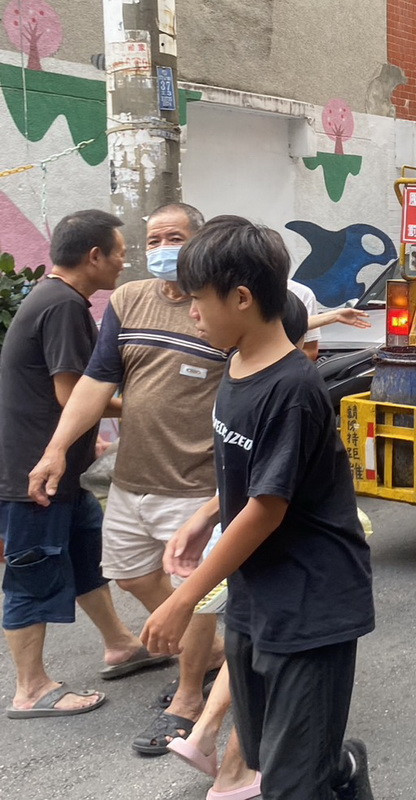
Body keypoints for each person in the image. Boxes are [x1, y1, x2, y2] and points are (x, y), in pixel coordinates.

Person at [141, 215, 375, 800]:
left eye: (199, 300)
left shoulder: (292, 388)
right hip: (254, 600)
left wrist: (184, 599)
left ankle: (331, 768)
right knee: (274, 755)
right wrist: (205, 515)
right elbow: (251, 474)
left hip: (311, 604)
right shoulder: (238, 364)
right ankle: (339, 768)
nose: (192, 312)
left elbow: (267, 507)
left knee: (290, 786)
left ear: (242, 298)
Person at [28, 203, 237, 760]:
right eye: (155, 237)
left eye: (176, 237)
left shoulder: (215, 307)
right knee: (129, 574)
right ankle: (212, 649)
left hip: (194, 483)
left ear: (200, 243)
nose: (163, 246)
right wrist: (56, 450)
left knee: (196, 591)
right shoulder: (128, 299)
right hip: (132, 477)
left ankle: (190, 697)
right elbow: (96, 380)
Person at [1, 209, 152, 719]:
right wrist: (150, 405)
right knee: (33, 573)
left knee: (91, 555)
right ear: (94, 256)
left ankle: (121, 643)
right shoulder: (65, 305)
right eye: (120, 254)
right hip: (35, 478)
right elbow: (74, 394)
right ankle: (31, 687)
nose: (123, 263)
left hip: (61, 473)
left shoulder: (52, 297)